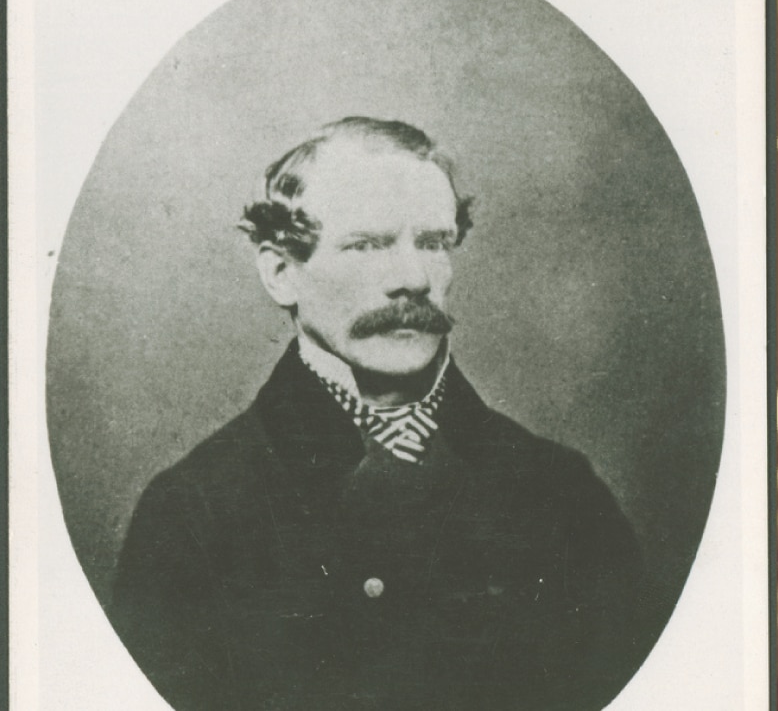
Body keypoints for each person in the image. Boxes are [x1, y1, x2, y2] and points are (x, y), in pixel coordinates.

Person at [112, 117, 643, 711]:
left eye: (435, 242)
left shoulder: (562, 497)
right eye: (368, 245)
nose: (413, 279)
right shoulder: (195, 513)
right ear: (281, 272)